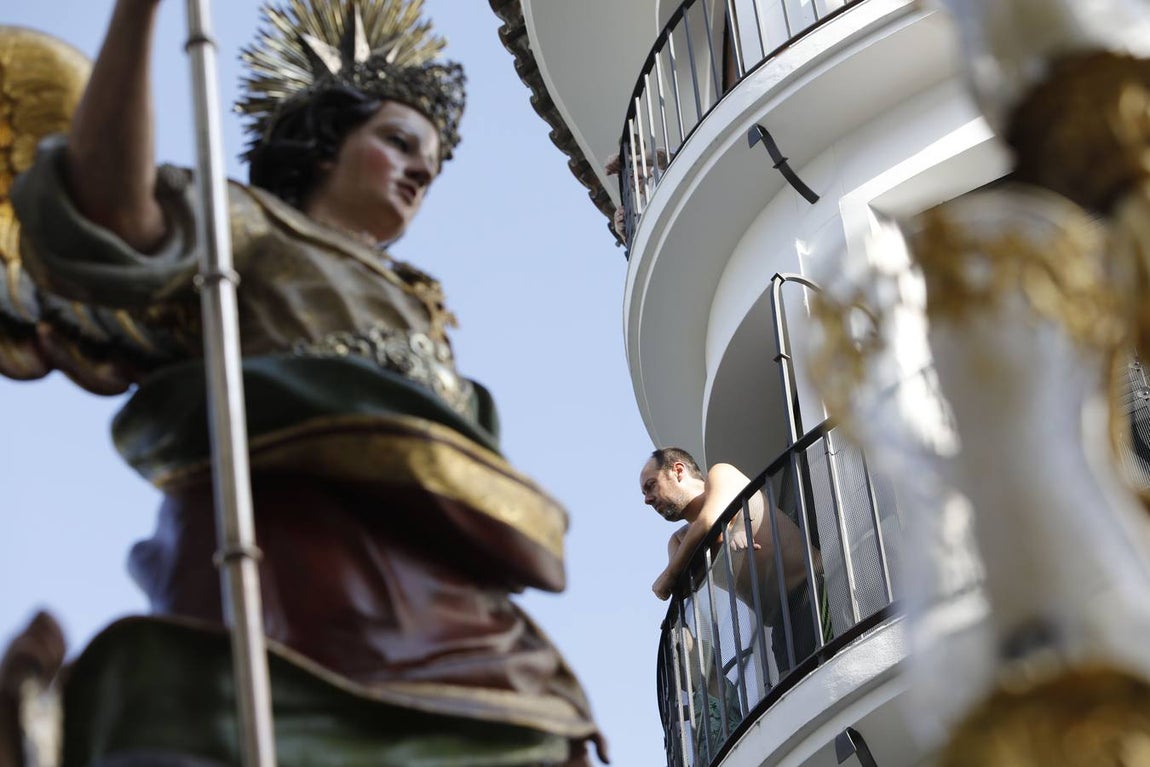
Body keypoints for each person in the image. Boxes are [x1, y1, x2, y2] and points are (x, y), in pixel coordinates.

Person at [1, 1, 607, 765]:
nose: (423, 169)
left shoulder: (422, 308)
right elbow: (108, 211)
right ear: (325, 145)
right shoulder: (245, 224)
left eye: (434, 159)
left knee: (544, 739)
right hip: (302, 580)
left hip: (447, 609)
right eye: (398, 142)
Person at [639, 447, 828, 675]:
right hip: (781, 627)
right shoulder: (679, 541)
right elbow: (681, 591)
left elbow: (709, 520)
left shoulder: (721, 475)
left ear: (678, 471)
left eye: (651, 485)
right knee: (799, 695)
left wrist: (667, 576)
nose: (648, 500)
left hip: (817, 591)